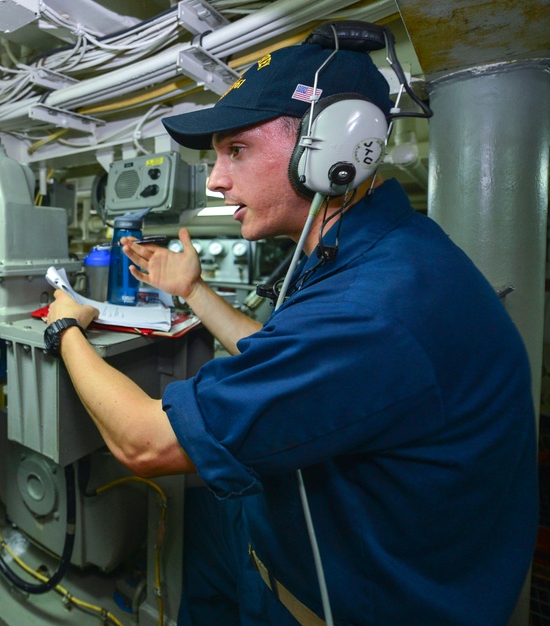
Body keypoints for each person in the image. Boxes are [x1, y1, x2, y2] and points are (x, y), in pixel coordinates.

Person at [43, 32, 537, 625]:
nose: (215, 181)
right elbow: (287, 362)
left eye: (237, 151)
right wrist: (194, 292)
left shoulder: (374, 306)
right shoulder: (380, 252)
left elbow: (143, 441)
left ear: (332, 146)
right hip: (293, 545)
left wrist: (65, 327)